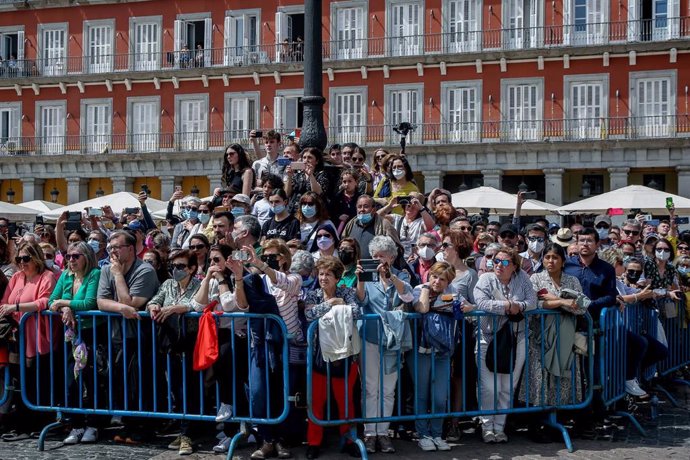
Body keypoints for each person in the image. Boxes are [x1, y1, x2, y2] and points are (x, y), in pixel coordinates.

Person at [96, 231, 160, 442]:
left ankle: (145, 426)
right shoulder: (106, 269)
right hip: (117, 335)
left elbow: (132, 302)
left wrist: (117, 276)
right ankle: (129, 424)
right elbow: (101, 302)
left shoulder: (145, 270)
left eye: (117, 247)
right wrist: (121, 308)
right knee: (121, 381)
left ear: (131, 249)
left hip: (142, 335)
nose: (112, 251)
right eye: (110, 247)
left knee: (141, 382)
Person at [242, 239, 303, 459]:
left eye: (272, 257)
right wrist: (239, 276)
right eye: (264, 256)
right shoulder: (255, 281)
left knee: (283, 395)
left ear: (284, 258)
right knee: (259, 392)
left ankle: (280, 441)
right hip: (261, 344)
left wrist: (262, 265)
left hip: (288, 346)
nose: (267, 260)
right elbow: (242, 305)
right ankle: (266, 439)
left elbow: (284, 284)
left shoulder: (295, 278)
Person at [473, 245, 537, 443]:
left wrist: (521, 306)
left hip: (516, 339)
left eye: (505, 262)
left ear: (515, 266)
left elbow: (532, 301)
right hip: (489, 338)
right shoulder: (485, 279)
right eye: (496, 261)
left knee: (508, 386)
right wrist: (508, 307)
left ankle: (499, 427)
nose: (499, 265)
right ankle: (486, 426)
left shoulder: (522, 279)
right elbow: (481, 303)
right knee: (489, 387)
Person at [356, 236, 414, 454]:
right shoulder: (367, 278)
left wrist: (391, 277)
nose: (378, 260)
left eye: (382, 256)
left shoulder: (401, 274)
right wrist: (361, 279)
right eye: (375, 256)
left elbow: (407, 296)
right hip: (370, 337)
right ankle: (370, 433)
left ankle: (384, 432)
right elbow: (360, 301)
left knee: (388, 389)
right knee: (371, 388)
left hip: (393, 340)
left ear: (391, 257)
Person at [192, 244, 250, 453]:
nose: (213, 264)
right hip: (216, 337)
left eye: (217, 260)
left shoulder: (237, 278)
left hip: (237, 338)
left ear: (228, 259)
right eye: (210, 261)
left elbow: (229, 306)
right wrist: (207, 279)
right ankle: (231, 426)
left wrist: (222, 280)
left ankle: (233, 428)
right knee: (220, 376)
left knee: (233, 380)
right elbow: (197, 305)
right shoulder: (211, 279)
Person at [304, 256, 362, 459]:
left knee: (345, 401)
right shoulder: (312, 294)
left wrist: (337, 303)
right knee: (316, 401)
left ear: (337, 277)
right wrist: (333, 303)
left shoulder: (347, 291)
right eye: (321, 274)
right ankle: (314, 442)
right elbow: (309, 315)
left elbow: (356, 311)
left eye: (328, 274)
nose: (323, 278)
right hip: (319, 356)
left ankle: (348, 440)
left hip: (345, 355)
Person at [146, 249, 201, 455]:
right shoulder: (168, 284)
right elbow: (156, 299)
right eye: (173, 266)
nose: (176, 270)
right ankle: (182, 429)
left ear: (192, 268)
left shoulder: (198, 285)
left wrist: (178, 308)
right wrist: (153, 307)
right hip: (170, 343)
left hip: (192, 343)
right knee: (176, 388)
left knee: (190, 389)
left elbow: (198, 305)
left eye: (180, 266)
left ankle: (189, 433)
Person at [0, 241, 58, 436]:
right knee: (20, 380)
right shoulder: (16, 277)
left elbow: (45, 301)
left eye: (26, 258)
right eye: (19, 259)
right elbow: (4, 301)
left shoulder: (47, 276)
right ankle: (23, 423)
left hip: (39, 335)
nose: (22, 263)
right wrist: (11, 311)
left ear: (36, 258)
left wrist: (17, 309)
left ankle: (41, 422)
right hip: (18, 336)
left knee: (39, 379)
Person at [522, 243, 586, 418]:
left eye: (555, 257)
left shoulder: (572, 281)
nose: (551, 261)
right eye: (548, 257)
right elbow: (535, 304)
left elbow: (582, 306)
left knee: (563, 378)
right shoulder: (535, 279)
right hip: (540, 337)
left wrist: (554, 300)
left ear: (563, 261)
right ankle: (538, 422)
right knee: (541, 379)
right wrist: (562, 302)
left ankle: (559, 417)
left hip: (565, 337)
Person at [48, 242, 101, 445]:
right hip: (71, 335)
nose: (71, 260)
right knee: (72, 380)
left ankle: (94, 424)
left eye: (75, 256)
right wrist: (64, 308)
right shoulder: (66, 275)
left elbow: (89, 303)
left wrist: (64, 303)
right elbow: (52, 300)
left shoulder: (95, 274)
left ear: (86, 257)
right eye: (68, 256)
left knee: (92, 379)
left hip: (92, 332)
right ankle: (77, 424)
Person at [412, 262, 468, 452]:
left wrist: (460, 306)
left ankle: (437, 433)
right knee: (422, 394)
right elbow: (423, 308)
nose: (437, 281)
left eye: (442, 278)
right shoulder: (419, 289)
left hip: (443, 350)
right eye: (434, 276)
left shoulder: (453, 292)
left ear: (448, 281)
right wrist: (427, 289)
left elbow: (468, 307)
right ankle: (423, 434)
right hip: (421, 350)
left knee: (439, 396)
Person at [564, 228, 617, 323]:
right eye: (581, 240)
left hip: (594, 322)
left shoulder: (607, 269)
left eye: (589, 241)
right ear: (576, 244)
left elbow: (610, 297)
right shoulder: (566, 265)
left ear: (597, 244)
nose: (585, 244)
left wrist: (588, 305)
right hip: (566, 319)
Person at [379, 194, 434, 258]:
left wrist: (421, 208)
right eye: (408, 206)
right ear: (404, 206)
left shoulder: (421, 221)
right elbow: (376, 217)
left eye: (414, 207)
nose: (410, 208)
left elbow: (430, 227)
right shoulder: (396, 218)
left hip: (415, 257)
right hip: (398, 256)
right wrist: (389, 206)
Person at [285, 147, 331, 214]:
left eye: (309, 157)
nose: (306, 160)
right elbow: (287, 194)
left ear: (317, 161)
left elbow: (317, 193)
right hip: (294, 211)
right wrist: (289, 176)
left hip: (311, 212)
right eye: (304, 157)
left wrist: (311, 175)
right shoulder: (297, 175)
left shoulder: (322, 175)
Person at [331, 168, 363, 234]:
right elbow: (330, 212)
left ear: (356, 182)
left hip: (356, 229)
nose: (346, 184)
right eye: (344, 182)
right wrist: (338, 217)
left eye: (349, 181)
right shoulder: (336, 197)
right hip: (339, 230)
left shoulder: (361, 198)